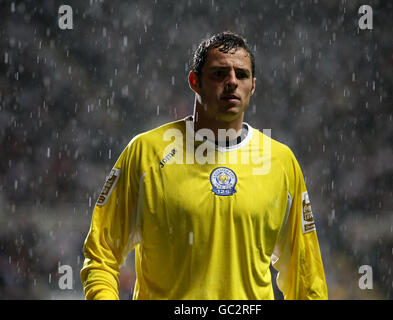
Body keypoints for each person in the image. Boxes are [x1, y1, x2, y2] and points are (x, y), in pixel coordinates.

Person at [80, 31, 328, 300]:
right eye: (220, 73)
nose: (232, 82)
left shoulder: (281, 162)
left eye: (241, 75)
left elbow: (306, 276)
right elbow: (101, 254)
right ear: (194, 81)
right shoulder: (146, 153)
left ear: (253, 86)